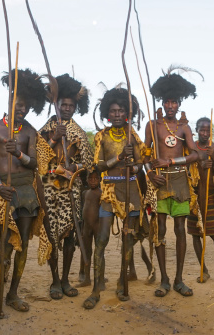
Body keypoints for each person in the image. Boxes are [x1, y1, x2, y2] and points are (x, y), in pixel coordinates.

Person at [0, 69, 53, 318]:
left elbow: (35, 164)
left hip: (26, 192)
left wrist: (18, 154)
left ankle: (13, 293)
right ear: (9, 102)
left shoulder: (29, 132)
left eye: (25, 106)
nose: (21, 109)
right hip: (2, 191)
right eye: (18, 104)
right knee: (3, 247)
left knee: (23, 245)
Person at [83, 87, 143, 309]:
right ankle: (97, 286)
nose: (117, 114)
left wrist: (133, 167)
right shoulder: (101, 136)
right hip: (108, 190)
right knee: (101, 240)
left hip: (130, 191)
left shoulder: (132, 135)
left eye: (121, 110)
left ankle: (122, 282)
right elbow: (97, 166)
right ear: (107, 113)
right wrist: (118, 158)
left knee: (128, 239)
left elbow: (140, 163)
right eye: (113, 111)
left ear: (127, 112)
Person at [144, 68, 200, 297]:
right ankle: (164, 280)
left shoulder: (184, 128)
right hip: (158, 181)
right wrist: (149, 173)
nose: (170, 106)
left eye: (174, 102)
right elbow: (144, 155)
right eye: (167, 102)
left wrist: (172, 160)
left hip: (179, 180)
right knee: (160, 229)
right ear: (162, 102)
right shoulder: (152, 125)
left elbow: (196, 155)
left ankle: (178, 279)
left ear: (179, 103)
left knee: (180, 229)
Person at [39, 74, 93, 300]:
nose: (68, 108)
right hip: (50, 188)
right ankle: (53, 281)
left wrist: (75, 168)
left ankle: (65, 280)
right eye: (64, 105)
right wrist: (53, 139)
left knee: (70, 235)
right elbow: (37, 159)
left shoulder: (79, 132)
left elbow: (90, 163)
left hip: (71, 188)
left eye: (72, 105)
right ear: (56, 104)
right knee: (52, 235)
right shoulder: (45, 129)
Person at [187, 117, 214, 288]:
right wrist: (199, 162)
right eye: (202, 130)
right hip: (195, 197)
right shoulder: (191, 148)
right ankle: (204, 270)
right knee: (196, 234)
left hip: (211, 196)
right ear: (197, 130)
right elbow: (187, 170)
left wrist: (213, 163)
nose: (205, 133)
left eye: (208, 130)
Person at [77, 170, 102, 289]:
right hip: (86, 227)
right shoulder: (85, 193)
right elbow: (83, 210)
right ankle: (87, 278)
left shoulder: (101, 193)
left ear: (100, 180)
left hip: (97, 227)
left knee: (99, 252)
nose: (93, 181)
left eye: (95, 179)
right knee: (86, 252)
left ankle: (100, 279)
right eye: (90, 178)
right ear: (86, 179)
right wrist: (82, 228)